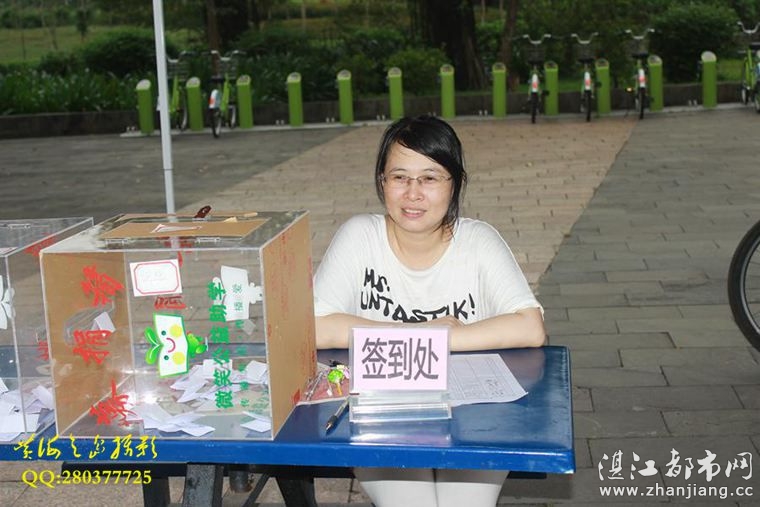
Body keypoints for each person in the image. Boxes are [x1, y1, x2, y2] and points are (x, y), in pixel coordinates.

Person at [313, 115, 546, 507]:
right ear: (382, 181)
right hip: (383, 414)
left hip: (473, 414)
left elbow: (531, 327)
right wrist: (424, 335)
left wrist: (450, 336)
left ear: (455, 184)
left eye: (430, 178)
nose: (413, 193)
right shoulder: (359, 237)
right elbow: (314, 327)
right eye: (399, 177)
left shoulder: (479, 242)